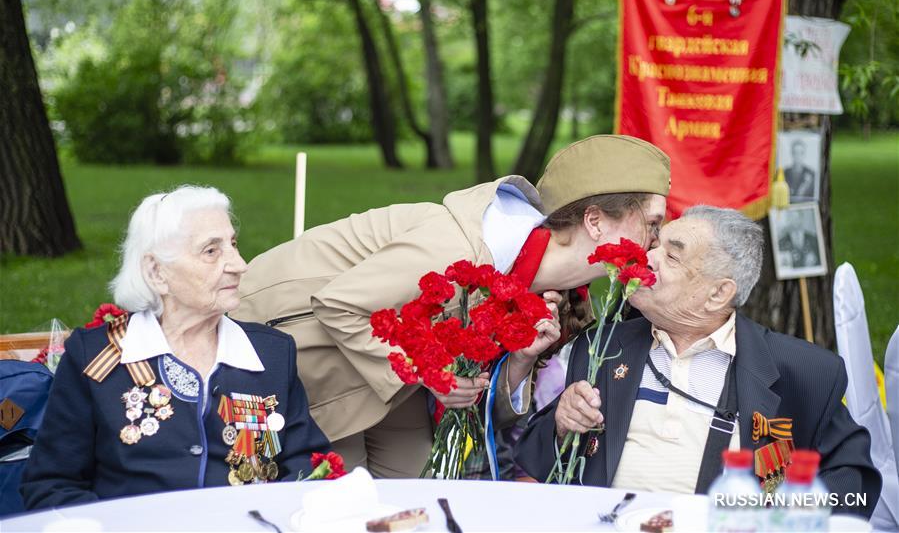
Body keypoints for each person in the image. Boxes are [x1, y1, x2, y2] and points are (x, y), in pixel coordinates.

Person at [231, 134, 671, 478]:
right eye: (652, 225)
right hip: (303, 352)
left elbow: (482, 412)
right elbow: (338, 307)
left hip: (389, 379)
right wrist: (433, 375)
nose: (657, 244)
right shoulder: (456, 246)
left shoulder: (556, 296)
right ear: (594, 221)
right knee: (345, 501)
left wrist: (519, 362)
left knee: (417, 496)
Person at [516, 206, 881, 517]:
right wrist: (561, 424)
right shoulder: (602, 348)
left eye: (671, 256)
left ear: (718, 293)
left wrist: (781, 519)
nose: (647, 257)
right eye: (656, 245)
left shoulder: (802, 372)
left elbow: (856, 484)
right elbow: (536, 462)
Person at [20, 186, 329, 510]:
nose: (239, 264)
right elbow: (52, 486)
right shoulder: (95, 357)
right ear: (157, 272)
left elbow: (305, 464)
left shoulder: (270, 354)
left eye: (233, 244)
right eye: (212, 251)